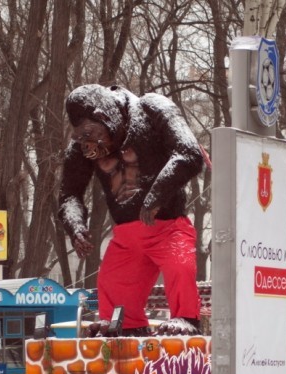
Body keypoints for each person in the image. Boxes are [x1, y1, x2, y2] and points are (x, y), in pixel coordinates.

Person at [58, 83, 204, 337]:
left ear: (104, 116)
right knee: (111, 281)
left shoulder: (152, 109)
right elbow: (69, 194)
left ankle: (186, 318)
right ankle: (124, 327)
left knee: (179, 267)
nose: (88, 146)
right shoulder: (83, 146)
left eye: (90, 134)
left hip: (168, 227)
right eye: (81, 137)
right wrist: (76, 225)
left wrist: (157, 194)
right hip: (127, 238)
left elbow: (190, 153)